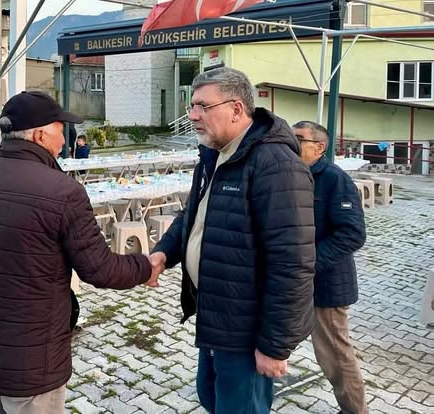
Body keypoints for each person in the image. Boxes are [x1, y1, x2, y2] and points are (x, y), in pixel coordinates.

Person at [0, 90, 160, 414]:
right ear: (38, 134)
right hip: (32, 365)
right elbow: (100, 270)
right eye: (59, 129)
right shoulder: (63, 192)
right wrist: (146, 267)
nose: (65, 140)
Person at [149, 67, 316, 414]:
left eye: (202, 106)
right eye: (191, 106)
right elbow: (193, 217)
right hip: (216, 316)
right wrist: (164, 253)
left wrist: (274, 345)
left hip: (246, 330)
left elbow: (292, 263)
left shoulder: (276, 166)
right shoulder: (215, 154)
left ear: (237, 109)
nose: (192, 115)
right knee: (211, 397)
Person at [292, 121, 368, 414]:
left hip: (326, 285)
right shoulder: (291, 175)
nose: (292, 142)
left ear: (319, 147)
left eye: (299, 139)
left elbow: (352, 234)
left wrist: (308, 262)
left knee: (334, 355)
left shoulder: (335, 179)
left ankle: (354, 411)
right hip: (292, 282)